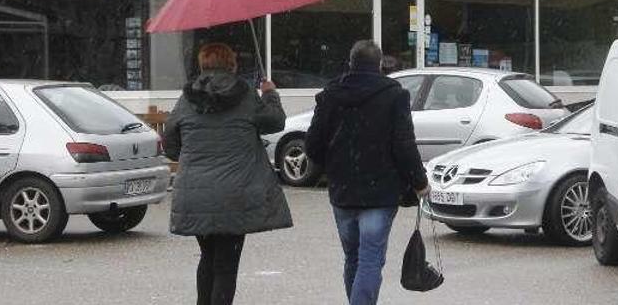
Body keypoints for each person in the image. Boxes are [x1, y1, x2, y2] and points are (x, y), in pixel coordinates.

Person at [163, 43, 292, 305]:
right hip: (236, 195)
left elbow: (170, 142)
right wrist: (270, 94)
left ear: (202, 65)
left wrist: (191, 158)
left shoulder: (187, 98)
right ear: (232, 64)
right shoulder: (244, 95)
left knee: (208, 258)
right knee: (225, 264)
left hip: (195, 195)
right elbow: (275, 122)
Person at [305, 40, 429, 305]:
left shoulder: (331, 93)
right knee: (370, 259)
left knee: (353, 257)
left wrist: (335, 165)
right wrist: (419, 183)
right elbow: (404, 145)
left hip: (343, 191)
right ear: (379, 64)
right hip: (380, 191)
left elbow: (313, 146)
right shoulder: (394, 94)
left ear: (351, 63)